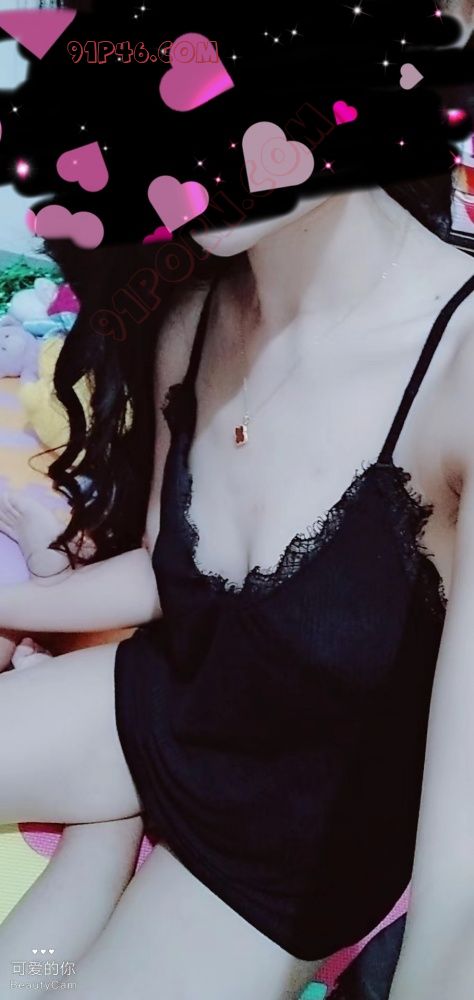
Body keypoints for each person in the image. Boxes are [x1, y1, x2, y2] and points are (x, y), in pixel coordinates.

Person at [0, 174, 474, 1000]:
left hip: (289, 846)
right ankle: (103, 839)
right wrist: (15, 604)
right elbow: (167, 567)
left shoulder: (461, 368)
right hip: (165, 703)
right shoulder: (193, 316)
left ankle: (100, 842)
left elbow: (458, 902)